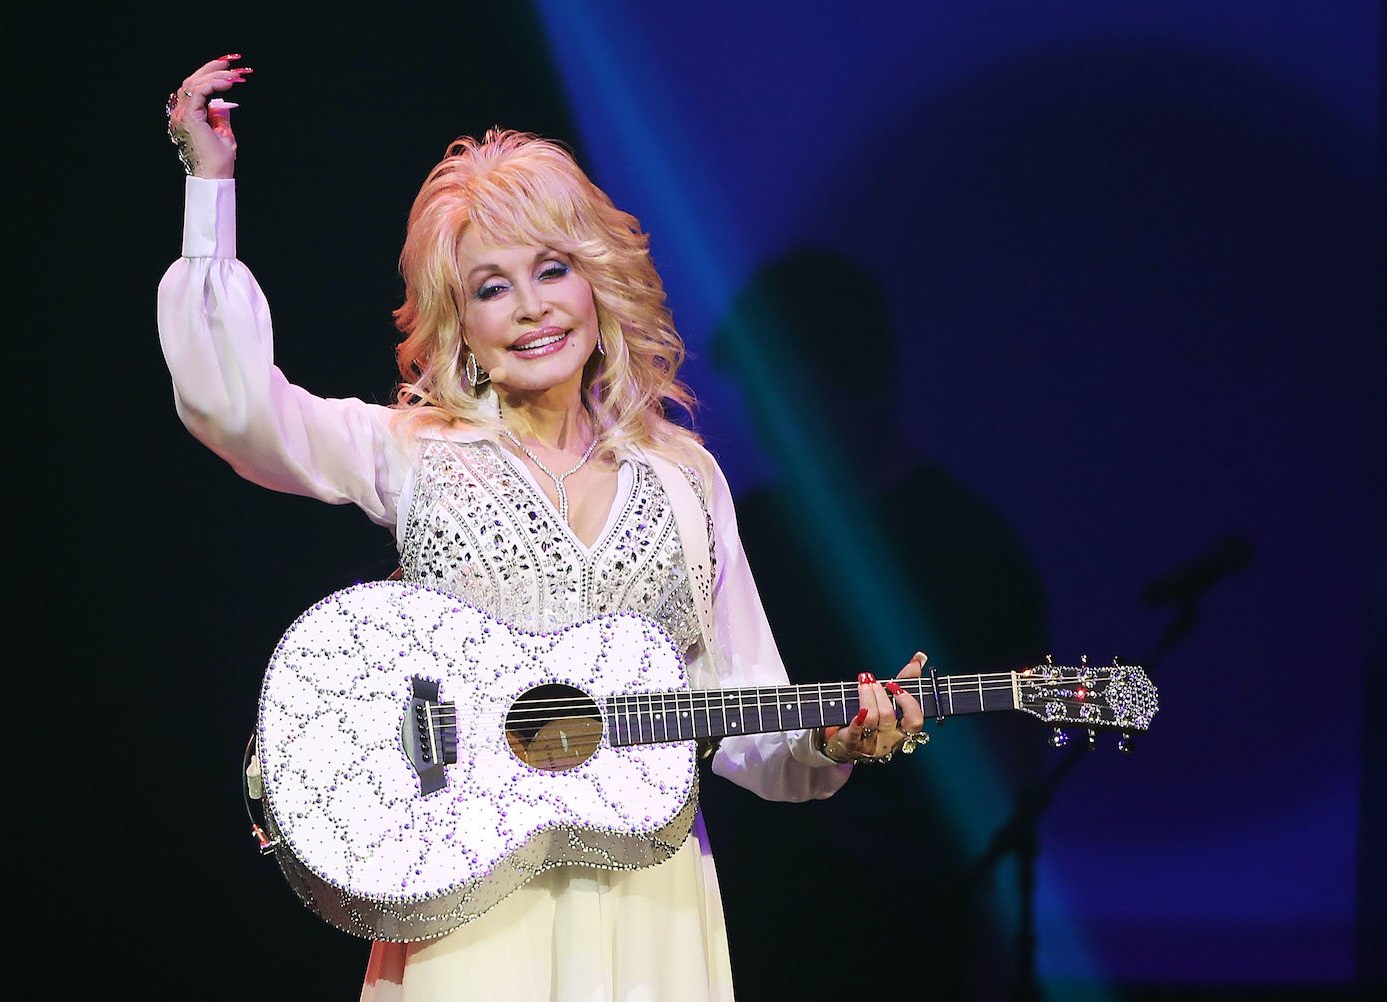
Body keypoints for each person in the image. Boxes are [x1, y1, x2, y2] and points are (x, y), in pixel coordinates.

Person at [159, 55, 931, 1002]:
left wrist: (836, 741)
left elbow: (742, 717)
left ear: (598, 288)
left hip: (653, 915)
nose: (530, 308)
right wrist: (210, 185)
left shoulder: (684, 480)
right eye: (491, 287)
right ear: (461, 325)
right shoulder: (418, 453)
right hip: (470, 909)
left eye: (552, 270)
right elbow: (234, 409)